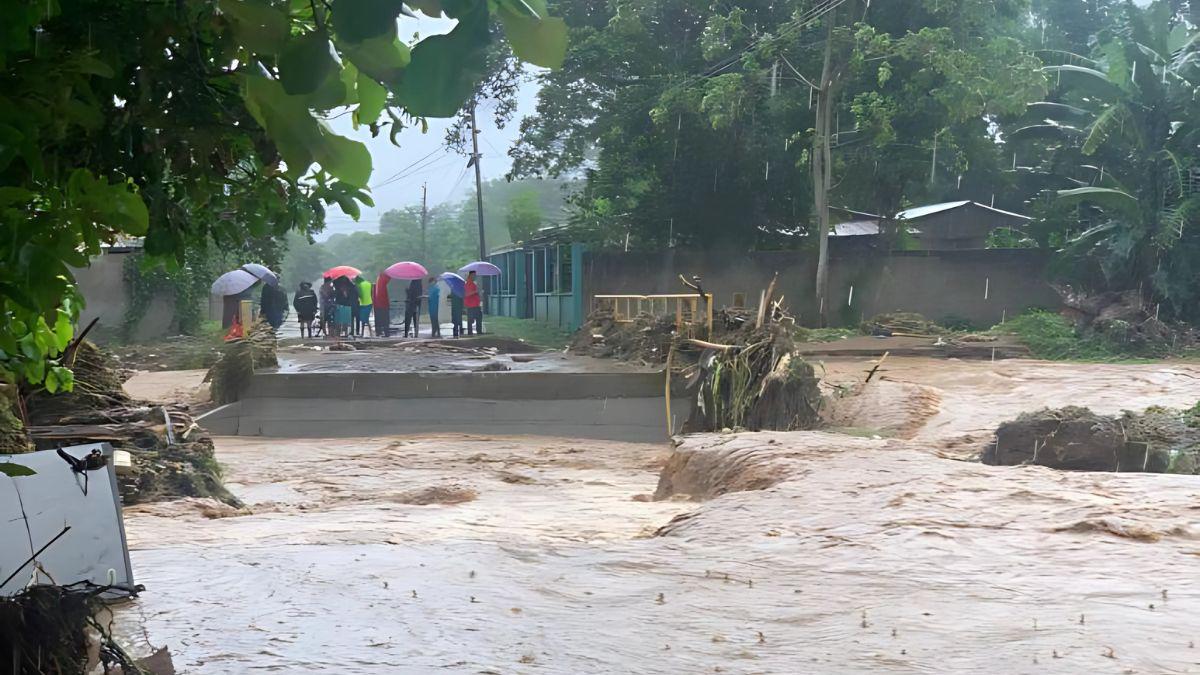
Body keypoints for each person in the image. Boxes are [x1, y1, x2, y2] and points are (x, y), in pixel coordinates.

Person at [464, 270, 483, 335]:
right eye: (474, 275)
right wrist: (475, 292)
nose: (475, 276)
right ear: (470, 275)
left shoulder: (473, 283)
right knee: (471, 319)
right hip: (471, 305)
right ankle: (470, 332)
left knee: (478, 317)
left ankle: (478, 331)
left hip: (475, 304)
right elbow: (467, 294)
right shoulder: (468, 284)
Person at [373, 272, 391, 338]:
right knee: (385, 319)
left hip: (378, 305)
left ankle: (379, 332)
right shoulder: (382, 281)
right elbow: (388, 278)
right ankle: (386, 333)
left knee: (379, 320)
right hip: (383, 305)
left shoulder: (379, 280)